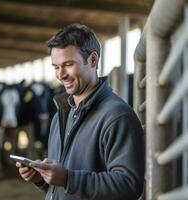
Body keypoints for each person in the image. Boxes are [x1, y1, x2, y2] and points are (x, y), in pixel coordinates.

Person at [15, 23, 145, 200]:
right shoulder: (60, 116)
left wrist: (68, 179)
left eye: (68, 64)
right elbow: (65, 189)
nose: (60, 75)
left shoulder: (117, 116)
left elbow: (129, 185)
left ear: (93, 60)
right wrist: (42, 179)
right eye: (56, 67)